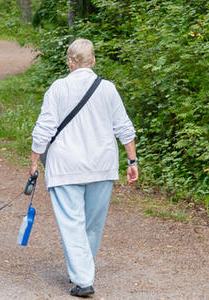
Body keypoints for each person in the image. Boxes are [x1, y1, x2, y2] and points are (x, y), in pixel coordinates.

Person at [29, 38, 139, 297]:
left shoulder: (57, 89)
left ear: (69, 62)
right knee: (92, 224)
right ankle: (81, 272)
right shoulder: (108, 89)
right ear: (93, 61)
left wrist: (34, 160)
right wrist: (132, 161)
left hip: (65, 167)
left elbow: (44, 128)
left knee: (72, 223)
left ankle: (82, 277)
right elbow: (123, 126)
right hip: (101, 166)